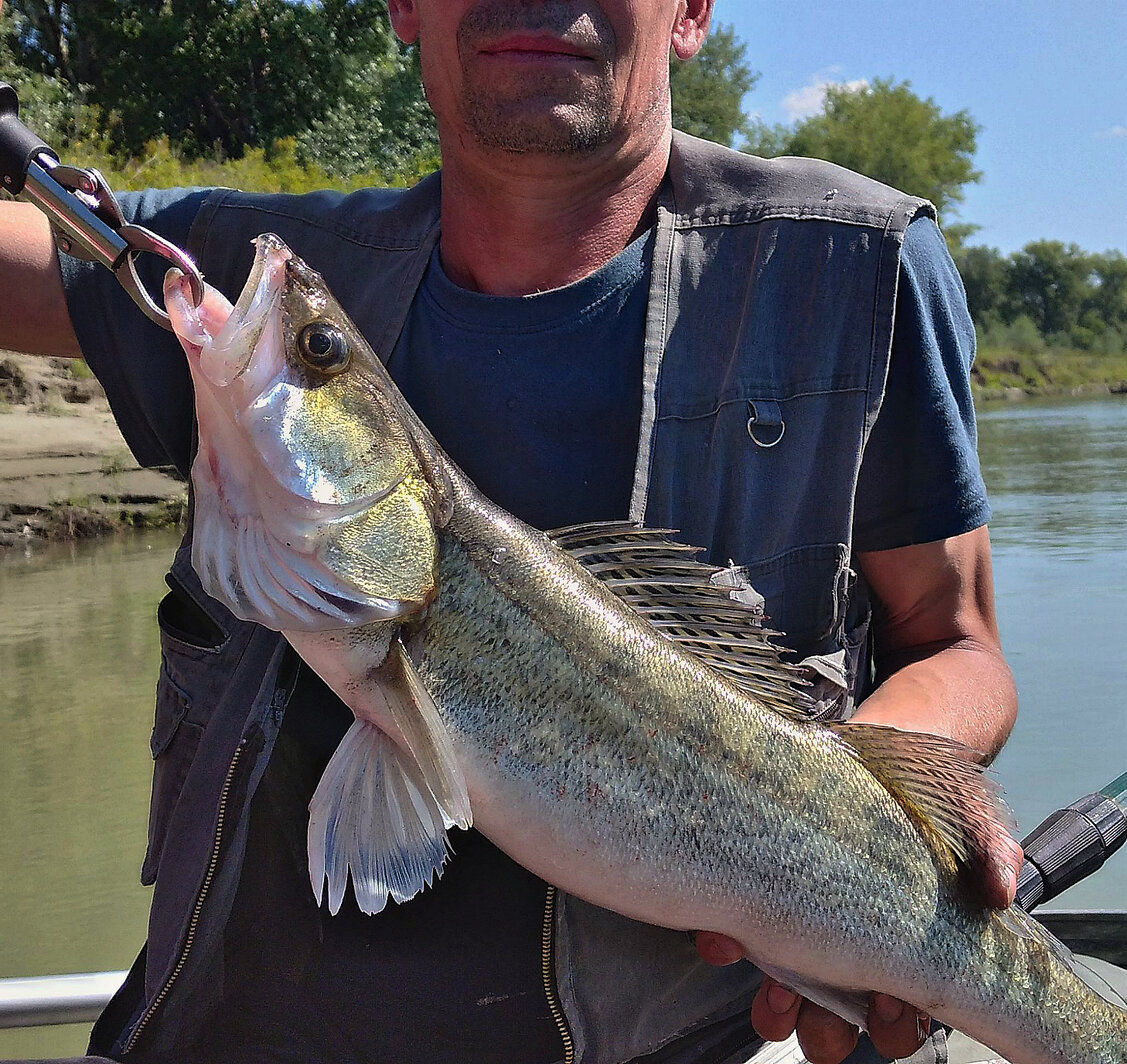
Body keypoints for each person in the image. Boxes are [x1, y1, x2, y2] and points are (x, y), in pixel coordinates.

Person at [0, 1, 1021, 1062]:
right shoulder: (246, 273)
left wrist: (851, 852)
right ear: (400, 6)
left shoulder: (858, 271)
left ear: (693, 10)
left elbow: (958, 644)